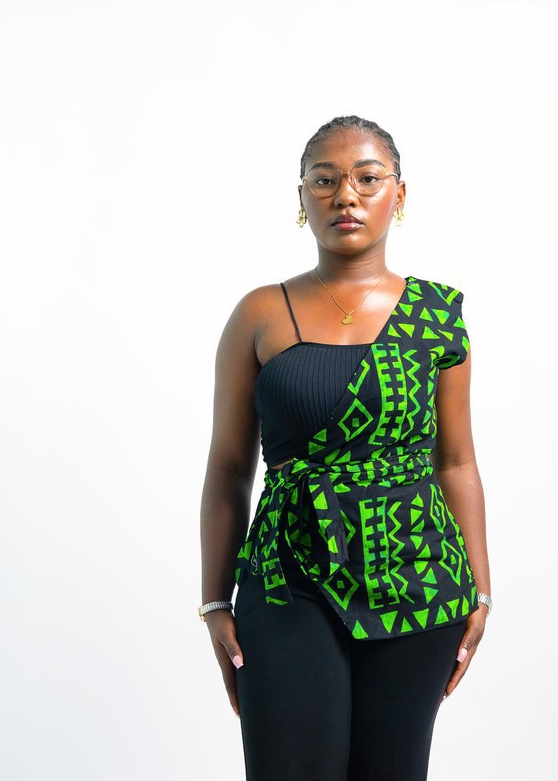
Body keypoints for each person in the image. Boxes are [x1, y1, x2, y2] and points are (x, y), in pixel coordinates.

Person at [199, 115, 491, 781]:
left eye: (367, 178)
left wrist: (481, 590)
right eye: (324, 180)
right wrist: (215, 601)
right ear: (301, 196)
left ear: (399, 194)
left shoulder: (437, 315)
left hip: (418, 576)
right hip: (286, 579)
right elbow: (228, 469)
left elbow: (456, 461)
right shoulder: (260, 314)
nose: (346, 196)